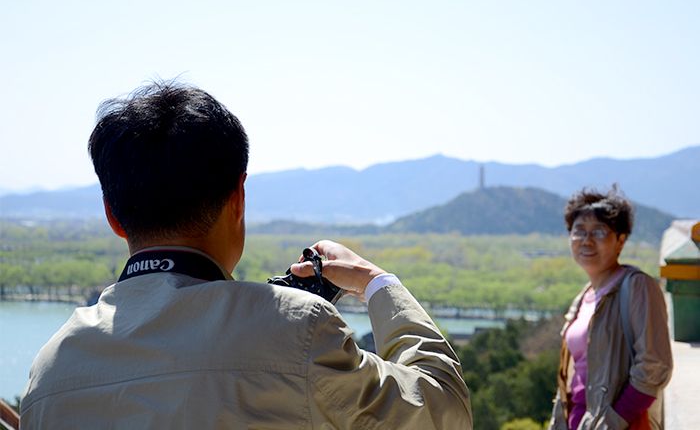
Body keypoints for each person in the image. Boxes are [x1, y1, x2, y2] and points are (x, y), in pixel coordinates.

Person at [19, 80, 473, 429]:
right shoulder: (295, 329)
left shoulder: (51, 369)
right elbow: (442, 411)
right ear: (238, 197)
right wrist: (373, 281)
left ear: (112, 215)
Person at [548, 186, 673, 430]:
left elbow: (654, 366)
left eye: (599, 231)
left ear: (620, 241)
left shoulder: (637, 287)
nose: (586, 240)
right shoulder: (583, 297)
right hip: (579, 420)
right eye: (578, 231)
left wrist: (612, 421)